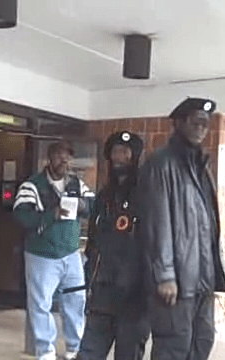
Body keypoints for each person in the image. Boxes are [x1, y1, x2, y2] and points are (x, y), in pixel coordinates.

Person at [139, 98, 225, 360]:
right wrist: (165, 275)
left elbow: (208, 223)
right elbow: (157, 223)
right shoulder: (161, 163)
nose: (202, 128)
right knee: (173, 346)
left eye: (205, 123)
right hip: (176, 280)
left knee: (202, 340)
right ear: (178, 123)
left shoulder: (201, 166)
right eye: (195, 122)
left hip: (201, 277)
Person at [13, 141, 91, 360]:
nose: (64, 160)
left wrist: (84, 206)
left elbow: (93, 206)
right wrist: (50, 215)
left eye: (67, 157)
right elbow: (21, 215)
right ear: (49, 158)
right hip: (42, 255)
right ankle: (45, 350)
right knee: (41, 303)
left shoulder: (76, 184)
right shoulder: (33, 185)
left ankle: (75, 348)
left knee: (76, 301)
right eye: (59, 156)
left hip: (71, 253)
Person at [77, 131, 150, 360]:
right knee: (89, 353)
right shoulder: (103, 197)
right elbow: (94, 240)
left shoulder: (147, 194)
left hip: (134, 294)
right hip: (103, 290)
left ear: (135, 157)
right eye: (115, 152)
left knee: (128, 354)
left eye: (126, 152)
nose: (120, 157)